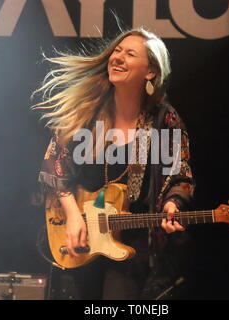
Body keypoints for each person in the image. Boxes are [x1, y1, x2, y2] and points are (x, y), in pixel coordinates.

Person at [32, 27, 195, 299]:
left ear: (150, 72)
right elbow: (54, 163)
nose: (117, 57)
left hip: (130, 240)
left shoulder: (163, 119)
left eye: (130, 54)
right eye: (117, 51)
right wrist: (72, 216)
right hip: (79, 231)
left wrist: (172, 204)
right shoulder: (88, 109)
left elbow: (180, 173)